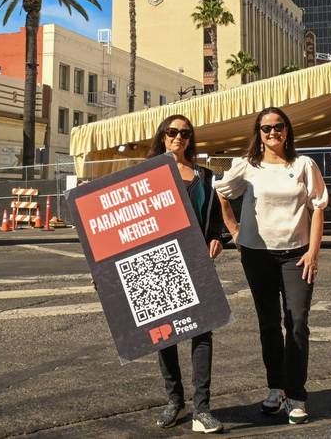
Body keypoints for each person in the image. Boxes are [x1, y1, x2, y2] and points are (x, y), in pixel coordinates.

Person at [217, 107, 328, 425]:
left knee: (296, 322)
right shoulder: (247, 166)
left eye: (278, 126)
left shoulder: (303, 165)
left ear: (287, 130)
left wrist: (314, 251)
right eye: (266, 128)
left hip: (297, 255)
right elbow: (222, 194)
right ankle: (275, 388)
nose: (273, 132)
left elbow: (318, 206)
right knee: (268, 324)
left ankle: (296, 395)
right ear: (259, 133)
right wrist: (235, 231)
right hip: (257, 255)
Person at [147, 114, 224, 434]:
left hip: (196, 262)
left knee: (201, 334)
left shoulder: (204, 176)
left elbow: (214, 215)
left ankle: (202, 408)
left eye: (185, 133)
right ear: (162, 137)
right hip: (159, 263)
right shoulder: (147, 175)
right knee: (165, 334)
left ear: (191, 139)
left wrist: (217, 236)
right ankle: (174, 401)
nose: (178, 137)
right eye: (172, 132)